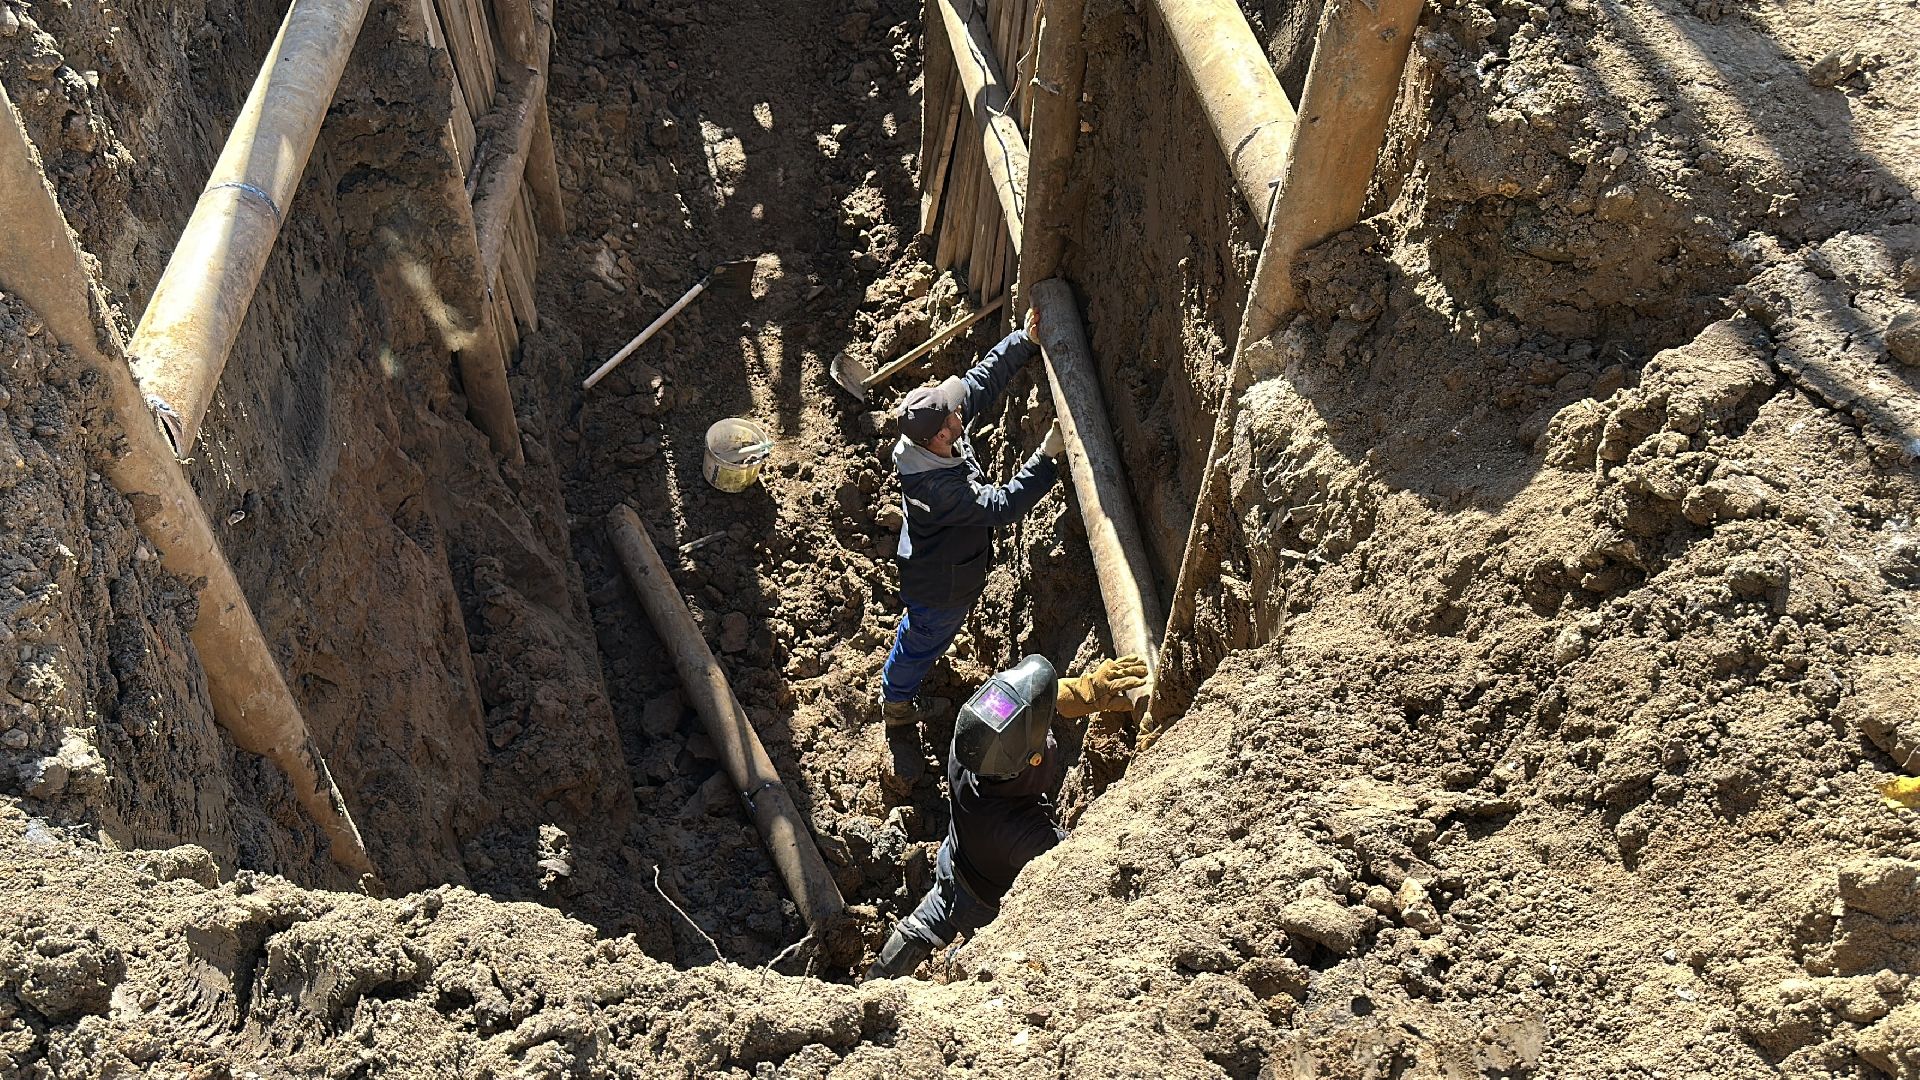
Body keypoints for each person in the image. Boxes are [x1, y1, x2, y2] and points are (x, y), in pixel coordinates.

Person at [863, 654, 1151, 982]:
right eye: (1043, 736)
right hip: (984, 906)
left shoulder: (969, 743)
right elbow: (1081, 862)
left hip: (953, 864)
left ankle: (875, 979)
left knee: (925, 923)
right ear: (1033, 761)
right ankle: (959, 966)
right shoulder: (1025, 835)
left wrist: (1077, 691)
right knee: (981, 944)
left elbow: (1008, 707)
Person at [881, 306, 1066, 782]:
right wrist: (1046, 457)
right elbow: (1001, 504)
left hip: (945, 565)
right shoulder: (939, 491)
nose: (960, 411)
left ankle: (905, 682)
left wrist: (1022, 342)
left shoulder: (932, 434)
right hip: (940, 588)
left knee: (923, 635)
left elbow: (978, 382)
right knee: (922, 640)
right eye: (952, 415)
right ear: (940, 436)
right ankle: (897, 703)